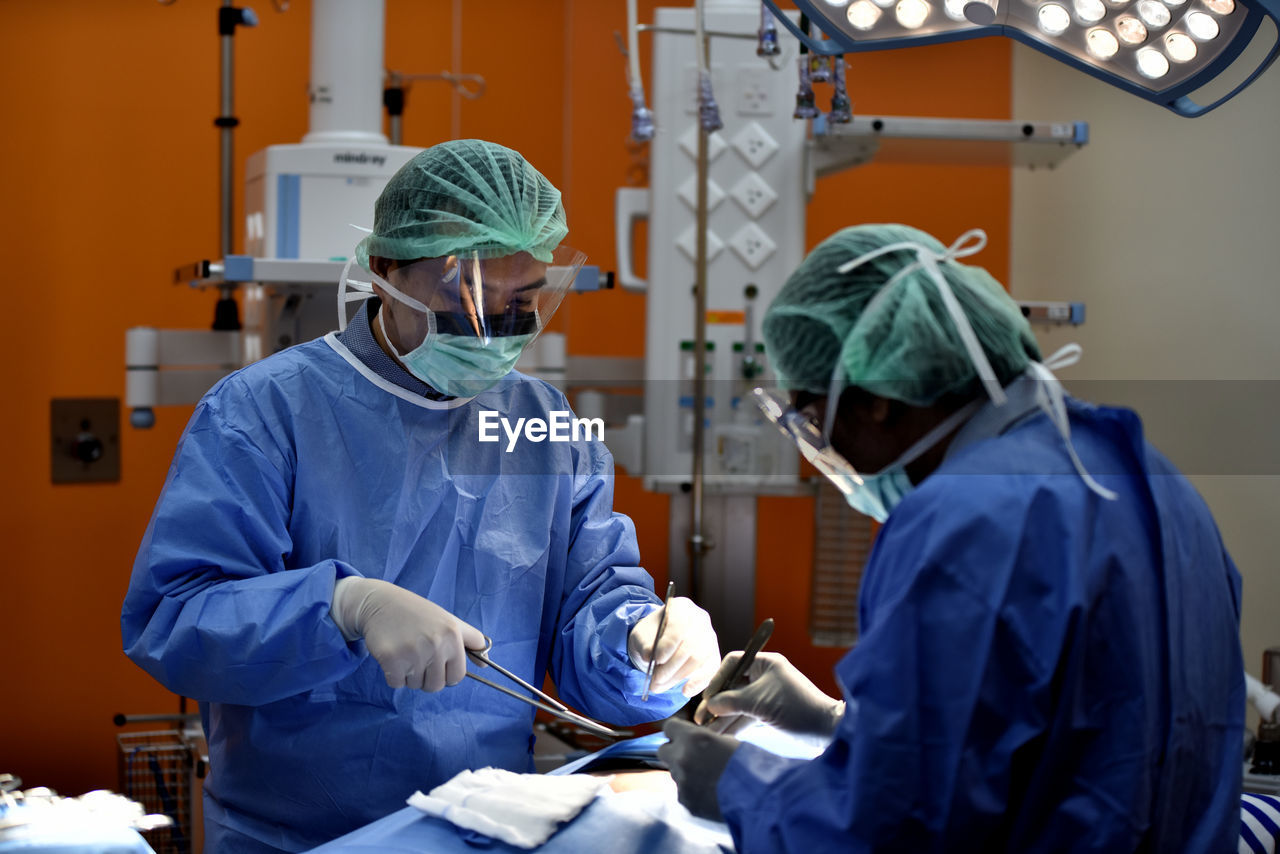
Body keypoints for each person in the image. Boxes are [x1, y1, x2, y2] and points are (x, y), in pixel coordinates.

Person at [121, 139, 720, 854]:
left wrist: (642, 643)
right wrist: (342, 608)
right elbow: (175, 620)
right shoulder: (265, 411)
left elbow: (593, 607)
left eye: (521, 302)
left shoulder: (545, 423)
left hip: (490, 828)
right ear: (383, 272)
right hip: (300, 837)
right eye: (461, 295)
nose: (490, 327)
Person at [659, 224, 1244, 852]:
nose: (822, 452)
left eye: (809, 416)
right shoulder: (1150, 480)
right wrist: (837, 723)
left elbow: (896, 831)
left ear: (876, 399)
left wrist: (742, 788)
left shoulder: (967, 517)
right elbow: (1075, 745)